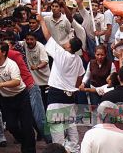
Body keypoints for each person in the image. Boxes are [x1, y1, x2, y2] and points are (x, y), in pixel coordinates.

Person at [38, 14, 85, 153]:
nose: (65, 42)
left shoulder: (62, 54)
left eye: (68, 41)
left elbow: (48, 37)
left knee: (57, 132)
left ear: (70, 46)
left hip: (57, 96)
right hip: (70, 97)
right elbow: (80, 76)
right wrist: (74, 87)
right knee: (72, 128)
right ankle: (75, 150)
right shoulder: (78, 60)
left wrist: (41, 21)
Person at [0, 42, 36, 153]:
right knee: (11, 125)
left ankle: (29, 150)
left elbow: (16, 81)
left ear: (4, 52)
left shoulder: (11, 64)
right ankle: (24, 141)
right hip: (6, 99)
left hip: (21, 97)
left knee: (27, 126)